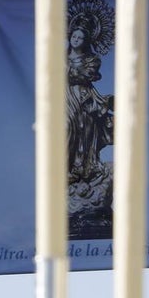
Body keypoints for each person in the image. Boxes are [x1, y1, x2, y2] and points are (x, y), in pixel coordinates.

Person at [65, 22, 113, 181]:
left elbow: (86, 75)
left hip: (82, 97)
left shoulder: (92, 59)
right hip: (63, 95)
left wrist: (66, 71)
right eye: (74, 36)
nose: (76, 40)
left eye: (80, 38)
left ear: (86, 41)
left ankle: (79, 167)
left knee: (79, 129)